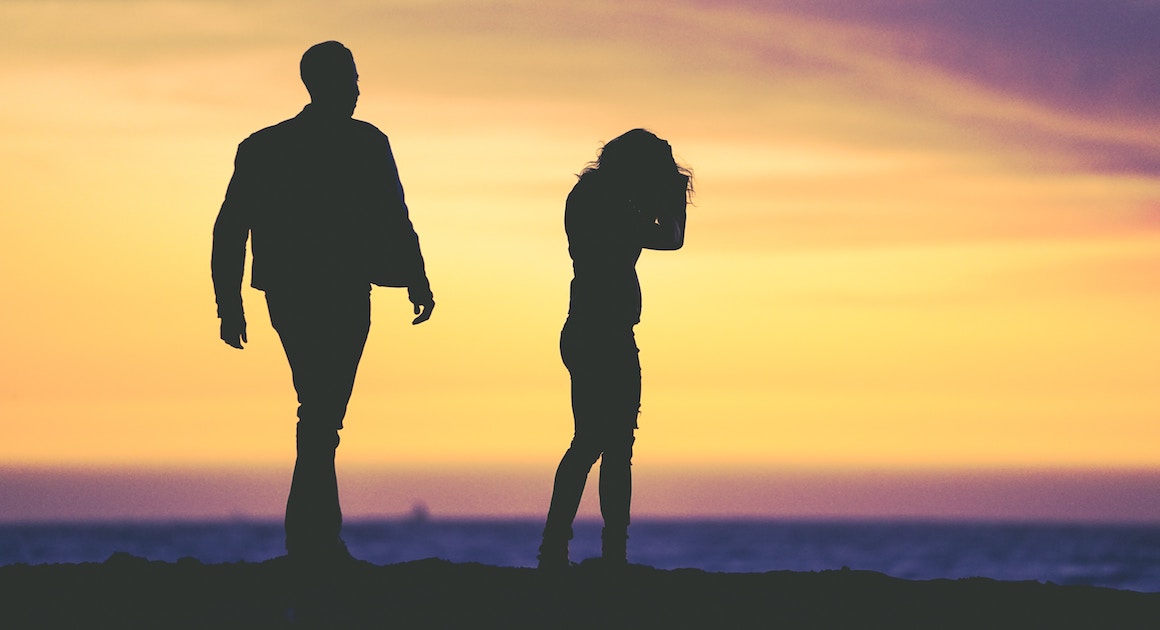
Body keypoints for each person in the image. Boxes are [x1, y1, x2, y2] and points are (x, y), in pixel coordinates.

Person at [211, 41, 435, 565]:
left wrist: (416, 278)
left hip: (329, 289)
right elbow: (232, 225)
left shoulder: (349, 142)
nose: (358, 89)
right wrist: (227, 302)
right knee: (321, 414)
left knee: (320, 414)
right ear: (323, 83)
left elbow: (393, 214)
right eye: (350, 78)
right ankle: (314, 544)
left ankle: (312, 542)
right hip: (314, 291)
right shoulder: (275, 146)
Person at [538, 129, 691, 568]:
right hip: (602, 332)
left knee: (598, 443)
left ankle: (570, 549)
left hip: (592, 328)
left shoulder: (593, 195)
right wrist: (675, 199)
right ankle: (595, 552)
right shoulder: (610, 202)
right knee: (601, 444)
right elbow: (672, 238)